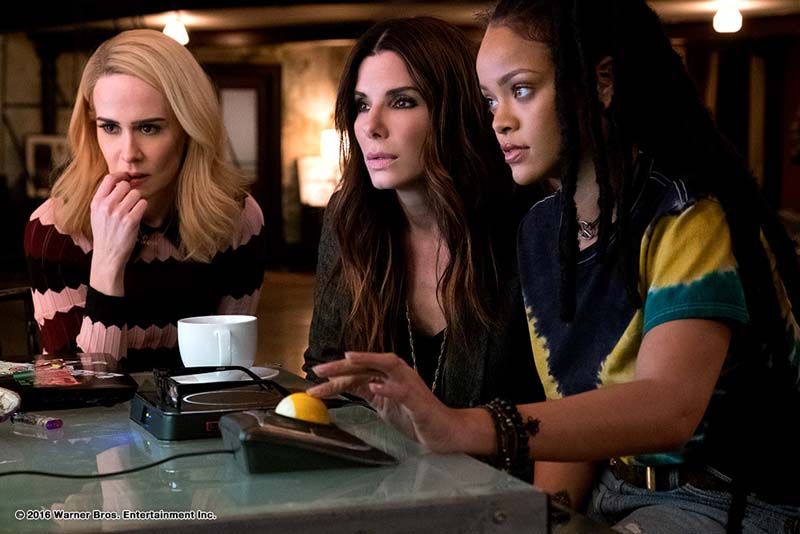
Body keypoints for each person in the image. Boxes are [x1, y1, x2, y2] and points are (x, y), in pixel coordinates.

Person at [309, 2, 800, 532]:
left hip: (725, 494)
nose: (499, 119)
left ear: (601, 83)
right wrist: (537, 518)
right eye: (490, 100)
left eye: (521, 90)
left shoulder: (690, 215)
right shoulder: (543, 229)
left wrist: (462, 426)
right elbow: (572, 408)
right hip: (613, 487)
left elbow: (669, 407)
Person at [303, 17, 544, 418]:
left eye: (402, 102)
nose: (371, 126)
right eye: (362, 105)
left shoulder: (528, 222)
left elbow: (562, 399)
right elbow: (325, 373)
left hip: (505, 456)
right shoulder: (350, 217)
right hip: (378, 456)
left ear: (454, 111)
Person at [24, 29, 266, 372]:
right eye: (110, 128)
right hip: (96, 408)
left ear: (188, 128)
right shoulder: (55, 229)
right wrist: (107, 264)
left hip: (195, 405)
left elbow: (227, 371)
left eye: (149, 128)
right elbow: (81, 387)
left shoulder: (238, 219)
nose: (128, 154)